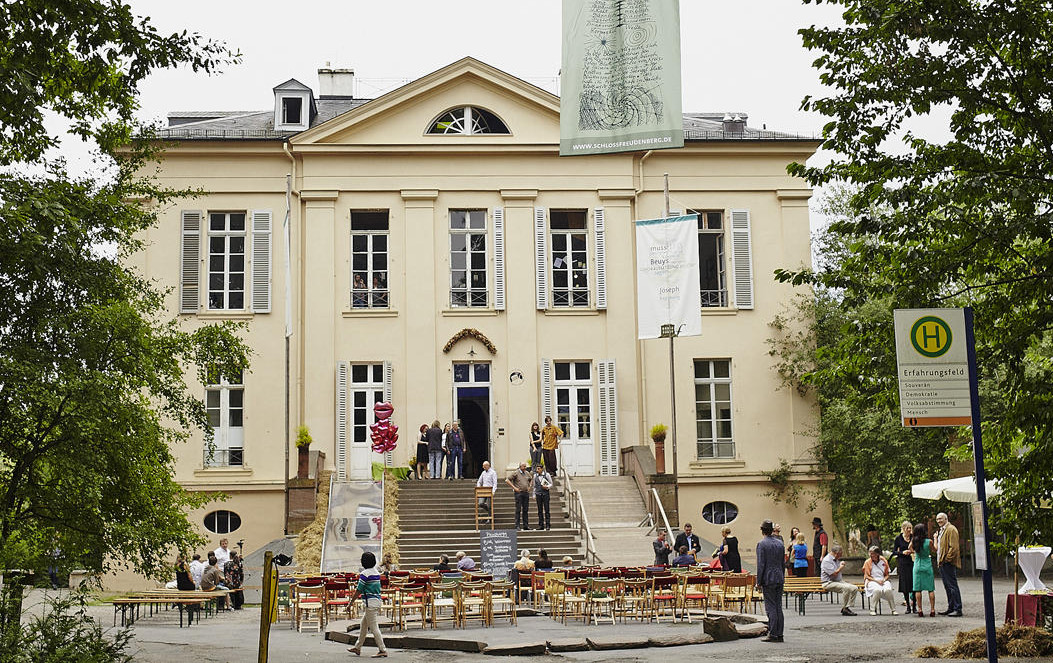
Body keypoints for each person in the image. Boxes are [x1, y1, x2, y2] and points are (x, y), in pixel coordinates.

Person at [348, 551, 388, 658]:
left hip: (370, 603)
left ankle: (382, 649)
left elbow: (359, 590)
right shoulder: (376, 572)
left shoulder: (365, 574)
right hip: (377, 601)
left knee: (374, 627)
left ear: (363, 562)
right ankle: (357, 647)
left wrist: (351, 603)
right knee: (363, 625)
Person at [757, 520, 785, 643]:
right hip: (779, 577)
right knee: (778, 606)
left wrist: (758, 581)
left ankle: (773, 633)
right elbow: (782, 563)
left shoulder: (762, 544)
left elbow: (761, 564)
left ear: (762, 530)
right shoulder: (780, 543)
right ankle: (779, 633)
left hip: (768, 578)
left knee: (771, 607)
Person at [820, 543, 860, 616]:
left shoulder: (835, 559)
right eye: (840, 554)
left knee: (854, 588)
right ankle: (845, 608)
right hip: (828, 583)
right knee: (847, 588)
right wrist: (841, 567)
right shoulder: (827, 560)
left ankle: (847, 607)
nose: (841, 555)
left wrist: (840, 564)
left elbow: (837, 570)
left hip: (838, 581)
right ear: (836, 553)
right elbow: (833, 574)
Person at [935, 512, 962, 616]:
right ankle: (951, 607)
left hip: (947, 563)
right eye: (937, 519)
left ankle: (957, 608)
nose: (939, 521)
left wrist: (947, 559)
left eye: (941, 519)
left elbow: (954, 547)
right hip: (942, 563)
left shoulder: (951, 529)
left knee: (952, 586)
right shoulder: (942, 530)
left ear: (946, 519)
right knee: (948, 586)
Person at [909, 522, 936, 617]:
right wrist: (935, 539)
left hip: (917, 564)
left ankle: (920, 609)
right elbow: (935, 550)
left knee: (918, 589)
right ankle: (932, 610)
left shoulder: (914, 541)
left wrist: (915, 552)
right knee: (930, 589)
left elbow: (910, 549)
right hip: (927, 564)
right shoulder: (929, 542)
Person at [861, 545, 897, 616]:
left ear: (877, 554)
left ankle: (893, 609)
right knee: (877, 590)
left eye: (872, 553)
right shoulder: (867, 562)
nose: (871, 555)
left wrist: (883, 580)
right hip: (871, 580)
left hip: (883, 579)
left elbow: (887, 574)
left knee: (888, 590)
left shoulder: (883, 560)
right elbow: (867, 576)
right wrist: (876, 581)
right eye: (870, 553)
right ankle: (872, 609)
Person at [892, 520, 917, 613]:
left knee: (914, 584)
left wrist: (912, 551)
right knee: (905, 585)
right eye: (907, 528)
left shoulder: (914, 538)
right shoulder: (898, 538)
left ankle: (914, 606)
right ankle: (908, 607)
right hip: (903, 563)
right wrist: (902, 552)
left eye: (910, 528)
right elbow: (894, 551)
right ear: (903, 529)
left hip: (913, 562)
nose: (909, 530)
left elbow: (918, 548)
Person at [506, 462, 533, 530]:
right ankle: (517, 525)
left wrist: (530, 486)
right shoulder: (516, 472)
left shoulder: (527, 473)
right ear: (520, 466)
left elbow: (531, 479)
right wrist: (514, 488)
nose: (525, 467)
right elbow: (507, 480)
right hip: (519, 493)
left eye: (525, 466)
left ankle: (525, 525)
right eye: (524, 466)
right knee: (518, 509)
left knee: (525, 510)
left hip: (526, 493)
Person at [533, 463, 552, 530]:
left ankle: (548, 525)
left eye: (538, 469)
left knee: (547, 510)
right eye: (536, 469)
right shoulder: (535, 476)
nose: (537, 470)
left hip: (545, 494)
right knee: (539, 510)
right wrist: (534, 494)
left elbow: (551, 484)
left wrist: (547, 487)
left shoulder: (547, 475)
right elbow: (534, 486)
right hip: (538, 494)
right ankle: (541, 525)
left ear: (542, 469)